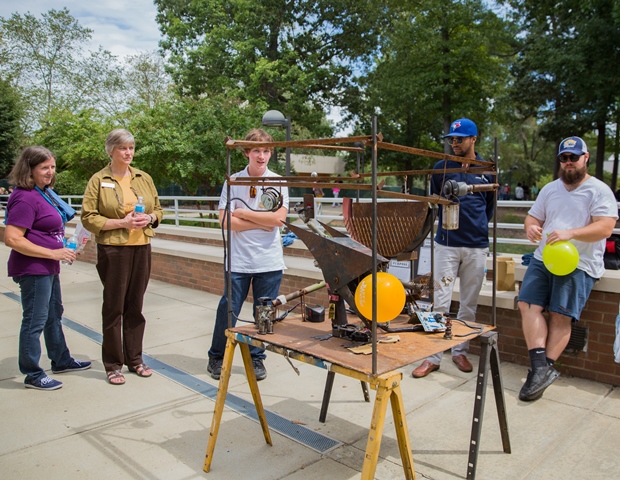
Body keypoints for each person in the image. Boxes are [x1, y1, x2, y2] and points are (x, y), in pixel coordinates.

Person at [517, 136, 617, 401]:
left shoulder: (599, 190)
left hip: (579, 263)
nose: (569, 162)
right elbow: (533, 216)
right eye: (564, 158)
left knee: (561, 316)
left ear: (586, 158)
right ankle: (541, 369)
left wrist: (570, 233)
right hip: (543, 259)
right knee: (527, 304)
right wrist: (531, 227)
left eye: (574, 157)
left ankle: (542, 369)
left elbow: (605, 227)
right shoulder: (550, 189)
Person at [412, 118, 495, 378]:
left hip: (476, 247)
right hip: (446, 245)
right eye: (451, 139)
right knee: (438, 300)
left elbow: (489, 208)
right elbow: (436, 202)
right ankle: (432, 356)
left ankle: (460, 351)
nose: (454, 143)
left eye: (460, 139)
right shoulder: (442, 167)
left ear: (474, 139)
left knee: (469, 304)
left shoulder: (487, 169)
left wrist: (475, 226)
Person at [4, 146, 92, 390]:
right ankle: (32, 373)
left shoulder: (43, 193)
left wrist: (64, 244)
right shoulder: (24, 197)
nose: (50, 172)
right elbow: (12, 238)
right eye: (44, 168)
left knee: (53, 315)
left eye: (52, 167)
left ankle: (61, 359)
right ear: (29, 169)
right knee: (35, 320)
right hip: (33, 269)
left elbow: (43, 229)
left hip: (49, 267)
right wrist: (53, 251)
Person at [81, 129, 163, 385]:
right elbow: (88, 217)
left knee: (135, 306)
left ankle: (135, 359)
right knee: (114, 307)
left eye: (131, 148)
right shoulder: (98, 179)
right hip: (113, 249)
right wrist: (121, 222)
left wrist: (149, 218)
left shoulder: (143, 177)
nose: (128, 153)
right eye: (122, 148)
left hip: (142, 245)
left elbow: (158, 209)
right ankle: (113, 364)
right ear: (110, 150)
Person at [207, 129, 289, 382]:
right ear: (246, 152)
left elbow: (279, 219)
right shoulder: (233, 180)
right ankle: (217, 356)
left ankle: (256, 357)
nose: (262, 156)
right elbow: (224, 220)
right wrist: (262, 222)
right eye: (256, 151)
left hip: (269, 260)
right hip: (239, 260)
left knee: (263, 313)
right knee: (228, 309)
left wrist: (242, 214)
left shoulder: (278, 181)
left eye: (266, 151)